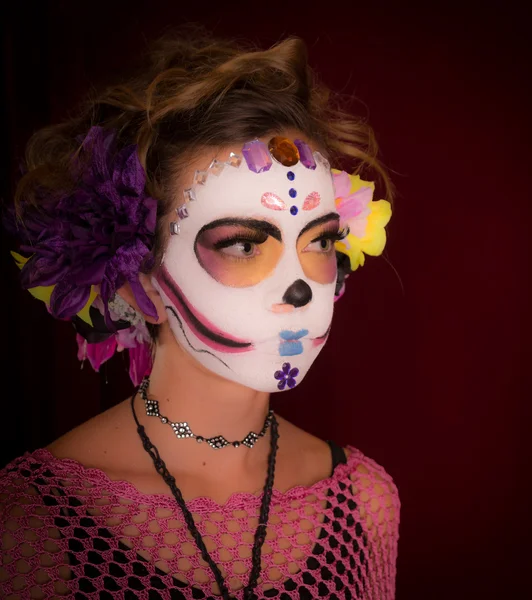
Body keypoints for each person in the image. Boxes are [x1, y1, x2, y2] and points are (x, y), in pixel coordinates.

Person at [1, 29, 400, 599]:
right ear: (141, 277)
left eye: (318, 242)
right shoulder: (30, 526)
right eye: (243, 244)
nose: (301, 289)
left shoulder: (365, 504)